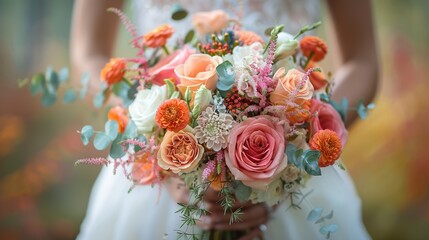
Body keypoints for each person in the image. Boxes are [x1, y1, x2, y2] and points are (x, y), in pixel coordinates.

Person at [72, 0, 378, 239]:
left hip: (295, 174)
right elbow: (87, 53)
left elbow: (362, 60)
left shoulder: (295, 150)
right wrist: (153, 140)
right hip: (153, 177)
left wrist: (295, 147)